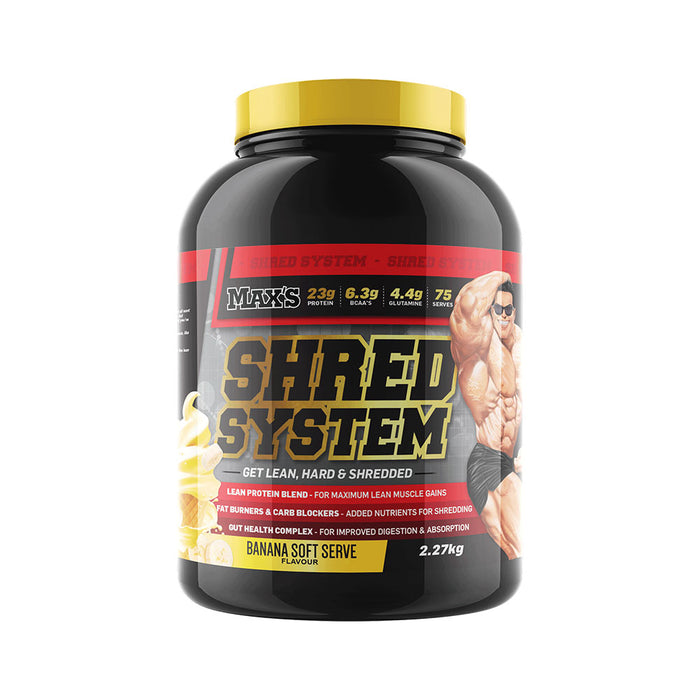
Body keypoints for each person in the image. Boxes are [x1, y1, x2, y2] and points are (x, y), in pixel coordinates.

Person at [449, 271, 522, 559]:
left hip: (508, 461)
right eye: (498, 309)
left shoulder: (521, 344)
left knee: (518, 552)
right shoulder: (477, 350)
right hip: (488, 464)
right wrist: (502, 272)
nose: (504, 315)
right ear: (489, 310)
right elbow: (466, 304)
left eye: (509, 309)